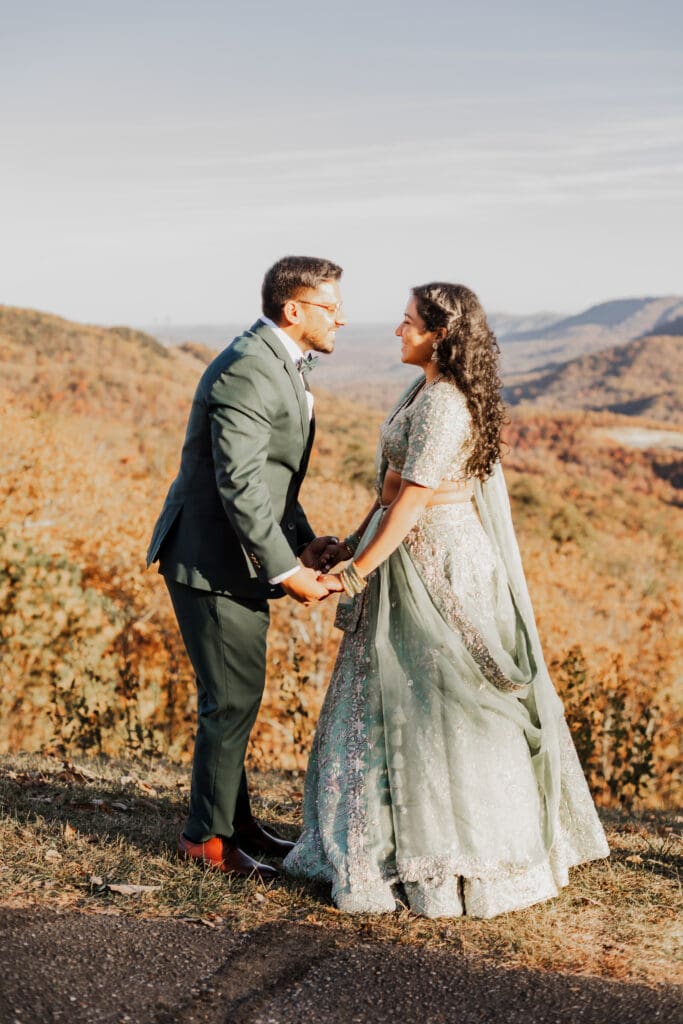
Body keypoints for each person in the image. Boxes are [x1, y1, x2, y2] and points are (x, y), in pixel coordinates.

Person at [284, 282, 609, 918]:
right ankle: (380, 841)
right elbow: (390, 490)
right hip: (406, 555)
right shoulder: (422, 391)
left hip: (442, 566)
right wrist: (347, 546)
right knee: (389, 700)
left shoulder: (444, 406)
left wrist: (354, 574)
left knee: (442, 704)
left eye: (409, 323)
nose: (397, 332)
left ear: (441, 334)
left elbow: (412, 503)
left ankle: (456, 859)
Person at [147, 255, 344, 881]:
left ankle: (237, 825)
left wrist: (304, 544)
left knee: (235, 698)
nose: (341, 317)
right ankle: (206, 844)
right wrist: (288, 573)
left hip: (237, 557)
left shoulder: (274, 361)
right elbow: (238, 487)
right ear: (294, 310)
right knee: (229, 703)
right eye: (330, 307)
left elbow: (271, 483)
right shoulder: (247, 370)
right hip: (211, 560)